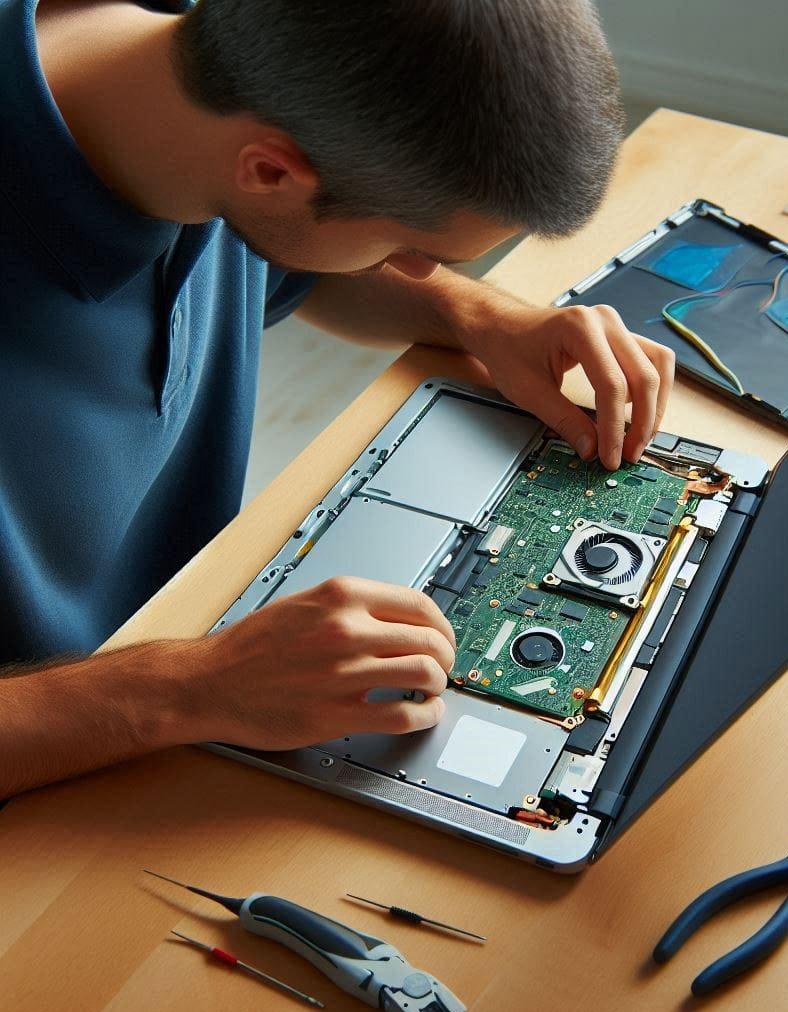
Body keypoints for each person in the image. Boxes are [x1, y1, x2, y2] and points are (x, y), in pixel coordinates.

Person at [0, 0, 674, 799]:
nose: (416, 270)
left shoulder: (205, 76)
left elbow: (294, 257)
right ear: (274, 171)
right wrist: (189, 689)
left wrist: (477, 314)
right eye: (413, 248)